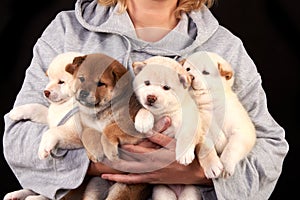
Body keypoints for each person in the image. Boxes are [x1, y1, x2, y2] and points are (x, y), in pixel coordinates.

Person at [3, 0, 289, 199]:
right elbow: (18, 141)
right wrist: (105, 162)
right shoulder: (68, 31)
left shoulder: (224, 48)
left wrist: (200, 172)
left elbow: (271, 150)